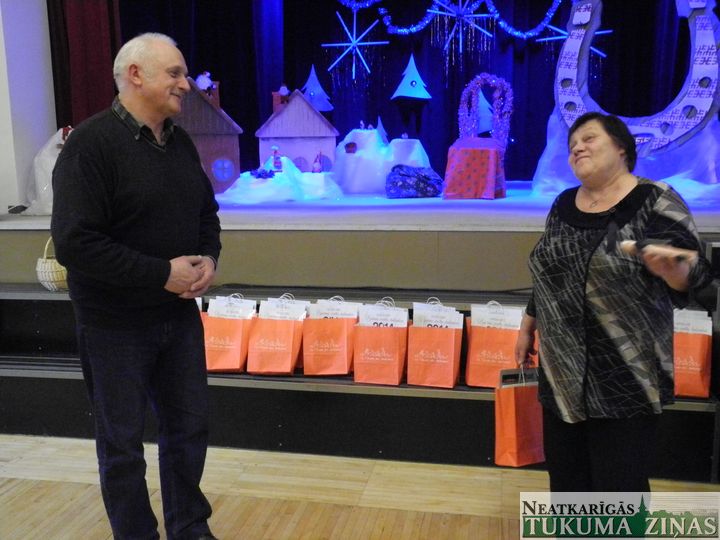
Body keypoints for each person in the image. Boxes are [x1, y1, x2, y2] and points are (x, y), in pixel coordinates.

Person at [51, 33, 221, 539]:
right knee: (122, 445)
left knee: (188, 430)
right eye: (174, 73)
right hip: (113, 326)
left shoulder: (180, 143)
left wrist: (208, 258)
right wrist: (162, 273)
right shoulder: (90, 145)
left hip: (177, 318)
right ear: (135, 75)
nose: (186, 85)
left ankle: (189, 528)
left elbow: (206, 214)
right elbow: (75, 243)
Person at [515, 112, 712, 492]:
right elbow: (552, 271)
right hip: (561, 375)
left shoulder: (656, 200)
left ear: (622, 147)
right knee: (568, 486)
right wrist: (528, 325)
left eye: (589, 138)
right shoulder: (563, 204)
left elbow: (699, 275)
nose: (577, 147)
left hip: (626, 378)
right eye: (572, 144)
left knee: (619, 490)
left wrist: (674, 271)